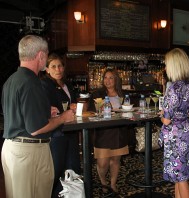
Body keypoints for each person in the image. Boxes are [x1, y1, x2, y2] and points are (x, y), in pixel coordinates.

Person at [1, 35, 74, 198]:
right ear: (41, 55)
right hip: (28, 152)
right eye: (46, 55)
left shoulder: (11, 80)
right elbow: (35, 129)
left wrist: (43, 112)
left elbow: (18, 114)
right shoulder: (31, 82)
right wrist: (63, 118)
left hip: (11, 149)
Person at [159, 48, 189, 198]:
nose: (165, 67)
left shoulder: (172, 89)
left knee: (181, 179)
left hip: (175, 137)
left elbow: (166, 120)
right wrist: (181, 115)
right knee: (180, 175)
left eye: (167, 64)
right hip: (187, 132)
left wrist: (163, 115)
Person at [41, 53, 81, 197]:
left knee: (73, 167)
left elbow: (70, 103)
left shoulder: (67, 84)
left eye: (60, 66)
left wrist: (74, 105)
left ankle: (72, 194)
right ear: (47, 69)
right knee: (57, 169)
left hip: (70, 130)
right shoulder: (45, 84)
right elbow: (46, 107)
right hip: (56, 133)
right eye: (53, 66)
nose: (58, 69)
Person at [88, 68, 129, 194]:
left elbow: (128, 110)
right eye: (105, 77)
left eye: (111, 77)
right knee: (102, 163)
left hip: (119, 132)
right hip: (103, 133)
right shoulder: (97, 94)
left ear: (116, 79)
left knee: (115, 160)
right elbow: (91, 112)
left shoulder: (122, 94)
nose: (108, 80)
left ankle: (113, 184)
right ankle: (103, 182)